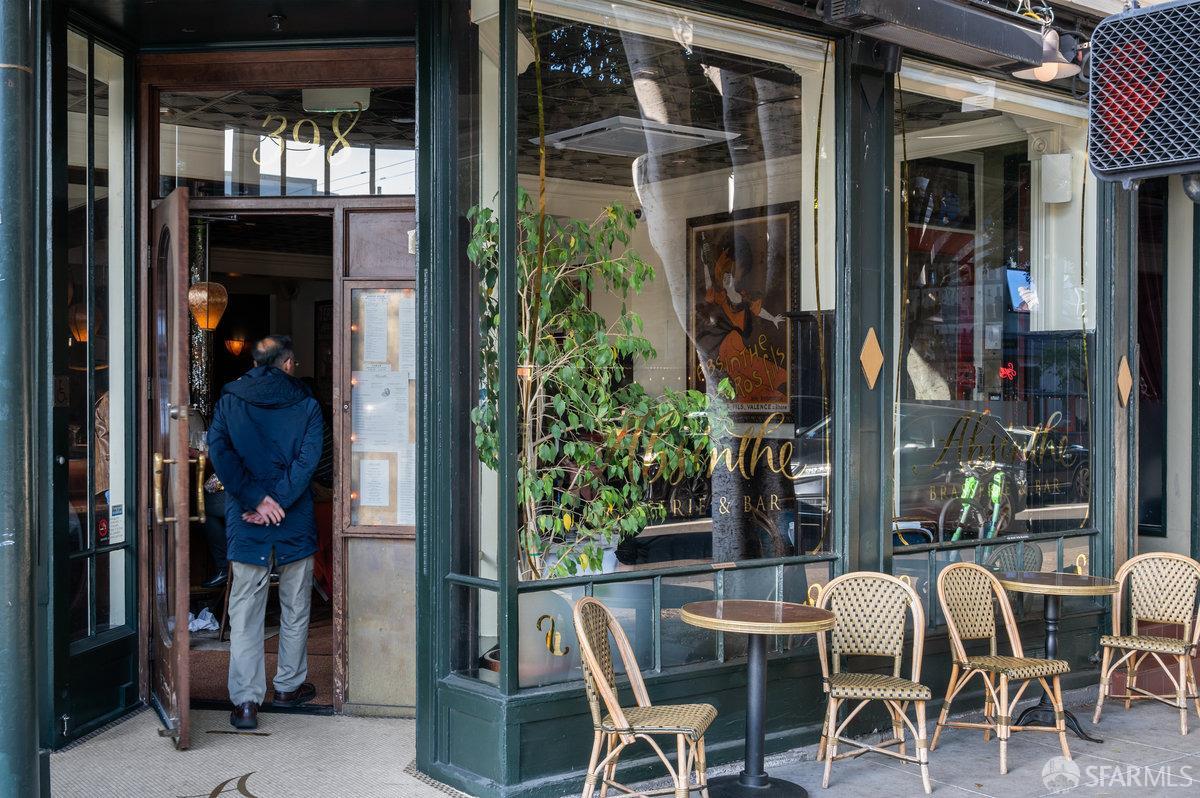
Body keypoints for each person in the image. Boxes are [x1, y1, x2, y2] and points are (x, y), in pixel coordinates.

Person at [207, 335, 324, 730]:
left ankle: (245, 703)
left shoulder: (229, 401)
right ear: (288, 363)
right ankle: (288, 687)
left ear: (256, 364)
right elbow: (308, 462)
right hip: (294, 520)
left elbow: (220, 455)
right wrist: (279, 502)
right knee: (295, 608)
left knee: (245, 612)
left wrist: (258, 500)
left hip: (248, 518)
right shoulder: (308, 404)